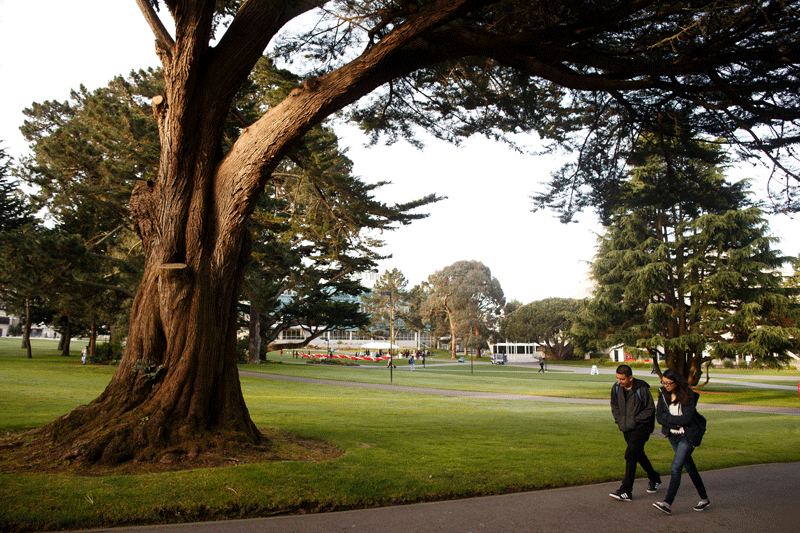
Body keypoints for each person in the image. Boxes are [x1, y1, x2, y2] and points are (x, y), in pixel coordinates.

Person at [653, 368, 710, 515]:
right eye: (663, 382)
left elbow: (687, 419)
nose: (666, 386)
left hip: (688, 436)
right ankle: (704, 499)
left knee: (676, 467)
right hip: (673, 435)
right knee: (690, 468)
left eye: (669, 383)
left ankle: (667, 503)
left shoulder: (688, 395)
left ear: (677, 382)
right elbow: (659, 417)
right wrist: (675, 424)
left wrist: (671, 421)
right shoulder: (663, 394)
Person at [609, 364, 662, 501]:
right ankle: (654, 477)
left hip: (642, 426)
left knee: (630, 454)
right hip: (626, 427)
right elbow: (614, 405)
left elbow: (650, 410)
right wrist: (620, 420)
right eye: (617, 378)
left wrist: (634, 420)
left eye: (622, 379)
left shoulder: (641, 389)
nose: (619, 382)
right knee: (638, 454)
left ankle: (626, 490)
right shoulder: (616, 388)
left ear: (630, 378)